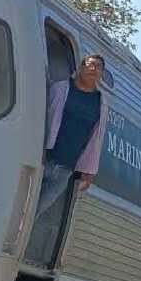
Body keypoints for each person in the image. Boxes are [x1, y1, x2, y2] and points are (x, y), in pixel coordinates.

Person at [34, 54, 109, 217]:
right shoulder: (60, 88)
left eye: (99, 67)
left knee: (36, 211)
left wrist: (90, 170)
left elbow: (96, 138)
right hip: (42, 158)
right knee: (22, 203)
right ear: (80, 68)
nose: (94, 69)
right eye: (91, 65)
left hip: (65, 170)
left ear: (101, 75)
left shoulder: (101, 103)